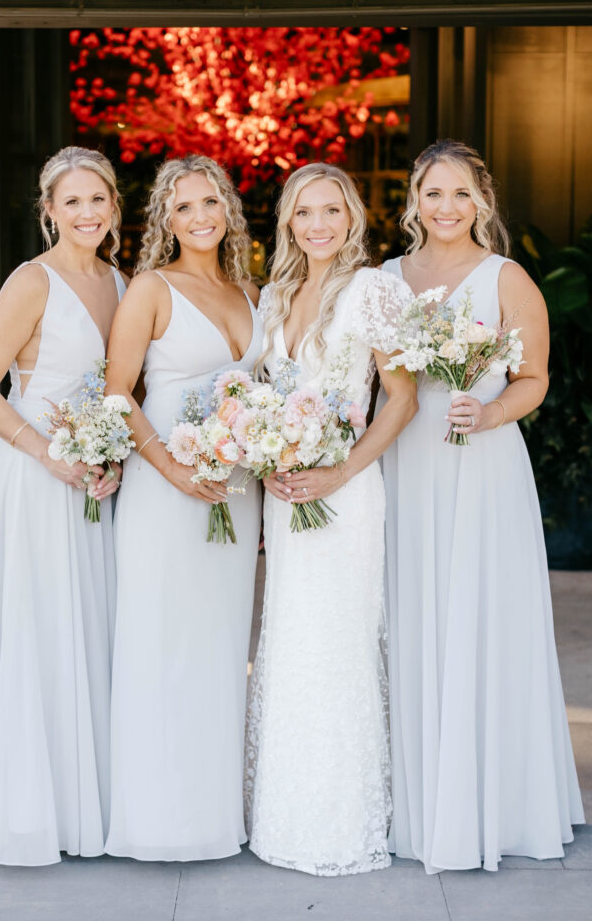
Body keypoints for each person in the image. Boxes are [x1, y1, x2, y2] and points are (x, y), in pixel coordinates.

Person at [381, 139, 584, 873]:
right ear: (413, 199)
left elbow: (532, 377)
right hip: (405, 462)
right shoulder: (383, 278)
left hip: (480, 463)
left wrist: (489, 413)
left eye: (460, 193)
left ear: (481, 202)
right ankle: (416, 801)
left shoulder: (507, 278)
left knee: (481, 615)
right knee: (409, 613)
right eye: (433, 193)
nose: (445, 207)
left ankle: (494, 800)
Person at [0, 147, 128, 865]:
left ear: (114, 205)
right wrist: (50, 453)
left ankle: (90, 799)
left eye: (98, 199)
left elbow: (123, 391)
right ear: (49, 210)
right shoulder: (32, 281)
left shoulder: (121, 280)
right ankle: (29, 806)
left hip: (95, 475)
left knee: (90, 622)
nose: (87, 213)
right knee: (39, 622)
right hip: (33, 472)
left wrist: (110, 455)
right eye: (72, 201)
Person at [245, 163, 417, 876]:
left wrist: (338, 471)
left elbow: (400, 400)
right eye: (304, 212)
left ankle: (342, 825)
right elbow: (259, 394)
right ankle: (285, 818)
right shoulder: (274, 292)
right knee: (290, 643)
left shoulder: (374, 289)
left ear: (351, 217)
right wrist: (266, 459)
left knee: (337, 647)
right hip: (288, 496)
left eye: (332, 210)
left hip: (345, 491)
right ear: (287, 222)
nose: (319, 224)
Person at [104, 155, 262, 862]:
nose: (200, 217)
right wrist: (170, 470)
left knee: (224, 646)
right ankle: (159, 820)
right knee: (164, 644)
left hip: (236, 490)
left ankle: (216, 813)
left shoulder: (249, 289)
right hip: (166, 494)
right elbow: (117, 394)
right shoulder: (150, 288)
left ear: (226, 209)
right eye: (183, 207)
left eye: (210, 203)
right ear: (164, 220)